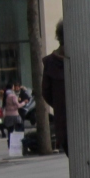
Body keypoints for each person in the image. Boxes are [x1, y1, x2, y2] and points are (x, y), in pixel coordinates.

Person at [41, 20, 67, 154]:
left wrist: (59, 104)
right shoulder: (81, 59)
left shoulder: (50, 63)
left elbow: (46, 92)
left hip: (63, 121)